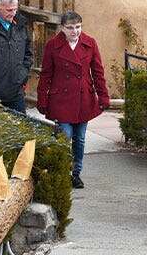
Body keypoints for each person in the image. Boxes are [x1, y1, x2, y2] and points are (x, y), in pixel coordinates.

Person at [37, 12, 110, 190]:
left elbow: (98, 72)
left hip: (83, 97)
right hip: (61, 99)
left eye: (78, 27)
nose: (75, 31)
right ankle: (63, 172)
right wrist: (42, 99)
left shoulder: (90, 43)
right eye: (70, 28)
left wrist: (103, 96)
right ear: (62, 28)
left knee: (80, 139)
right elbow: (46, 74)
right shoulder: (53, 45)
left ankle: (76, 174)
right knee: (65, 136)